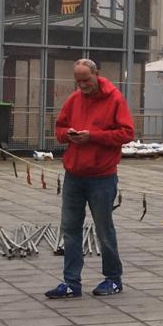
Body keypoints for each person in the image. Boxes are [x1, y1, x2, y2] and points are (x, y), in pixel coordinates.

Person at [48, 58, 134, 299]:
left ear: (96, 74)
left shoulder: (115, 99)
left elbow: (127, 133)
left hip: (102, 176)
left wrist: (93, 136)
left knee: (104, 229)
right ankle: (71, 282)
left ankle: (113, 278)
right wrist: (69, 135)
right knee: (70, 229)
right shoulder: (74, 99)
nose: (82, 86)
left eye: (86, 80)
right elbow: (59, 128)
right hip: (74, 174)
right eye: (78, 81)